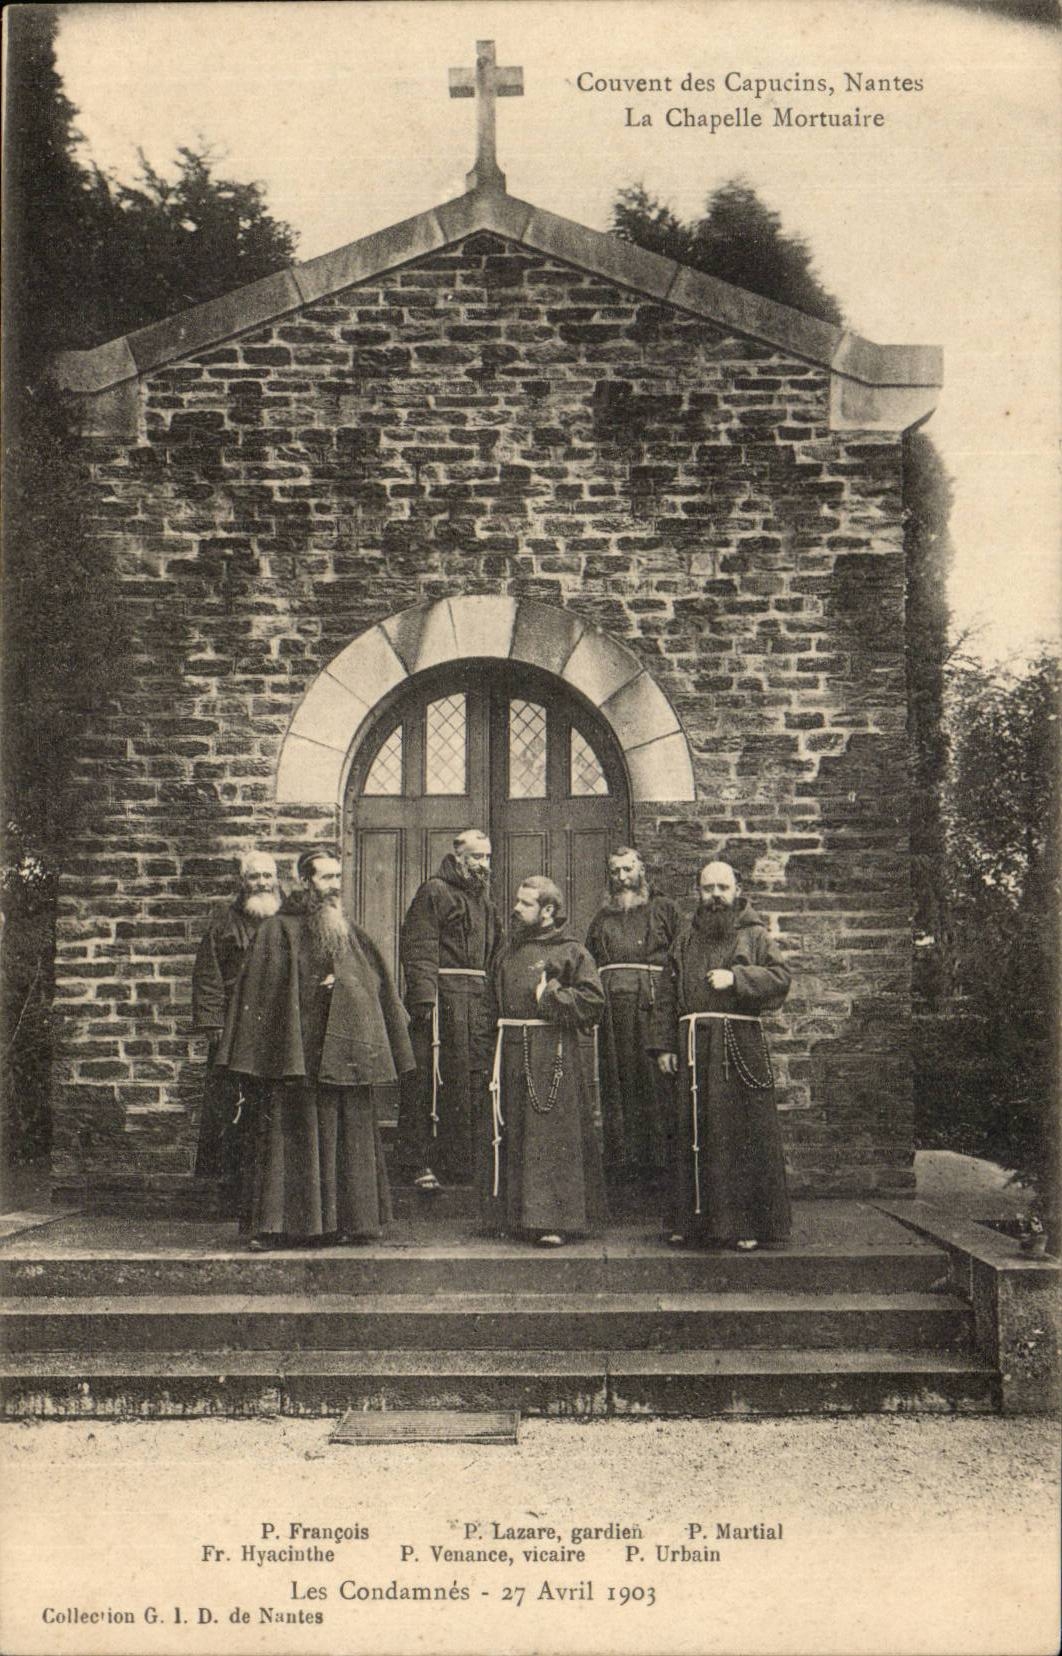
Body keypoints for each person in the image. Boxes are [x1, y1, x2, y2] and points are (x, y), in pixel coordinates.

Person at [216, 848, 414, 1250]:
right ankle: (279, 1227)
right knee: (290, 1138)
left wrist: (345, 990)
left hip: (342, 1055)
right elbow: (263, 994)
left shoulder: (348, 930)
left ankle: (346, 1221)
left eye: (338, 876)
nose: (335, 885)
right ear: (305, 881)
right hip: (295, 1060)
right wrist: (311, 992)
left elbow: (373, 984)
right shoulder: (276, 931)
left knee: (344, 1135)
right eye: (325, 878)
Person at [652, 861, 791, 1252]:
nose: (715, 896)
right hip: (692, 1046)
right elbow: (666, 995)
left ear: (737, 889)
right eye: (708, 888)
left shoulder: (756, 935)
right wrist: (664, 1045)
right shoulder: (684, 938)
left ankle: (744, 1224)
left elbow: (782, 980)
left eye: (722, 888)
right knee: (691, 1131)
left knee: (738, 1133)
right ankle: (689, 1223)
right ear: (697, 892)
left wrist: (738, 979)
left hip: (737, 1045)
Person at [474, 875, 607, 1247]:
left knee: (549, 1138)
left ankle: (553, 1219)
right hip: (509, 1053)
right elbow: (488, 1007)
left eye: (525, 903)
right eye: (517, 901)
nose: (515, 909)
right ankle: (509, 1217)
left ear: (548, 911)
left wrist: (551, 996)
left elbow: (593, 1003)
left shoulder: (572, 952)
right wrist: (482, 1054)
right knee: (511, 1131)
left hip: (553, 1058)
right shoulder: (506, 953)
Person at [398, 829, 501, 1191]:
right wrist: (424, 999)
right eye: (476, 857)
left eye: (487, 857)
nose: (483, 865)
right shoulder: (434, 892)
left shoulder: (485, 901)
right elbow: (419, 944)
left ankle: (461, 1162)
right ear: (458, 858)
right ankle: (419, 1162)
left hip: (476, 1002)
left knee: (469, 1080)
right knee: (431, 1079)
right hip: (441, 1003)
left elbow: (497, 953)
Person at [585, 847, 682, 1191]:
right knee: (617, 1082)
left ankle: (660, 1170)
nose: (622, 878)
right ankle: (623, 1167)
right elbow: (590, 963)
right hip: (613, 1013)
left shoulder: (665, 910)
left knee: (654, 1085)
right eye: (616, 872)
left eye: (628, 870)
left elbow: (680, 960)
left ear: (642, 870)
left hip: (652, 1006)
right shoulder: (602, 918)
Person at [192, 850, 282, 1215]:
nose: (261, 882)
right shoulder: (224, 924)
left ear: (277, 880)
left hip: (278, 1022)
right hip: (234, 1023)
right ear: (241, 882)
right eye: (254, 876)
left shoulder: (289, 920)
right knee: (229, 1104)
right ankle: (225, 1192)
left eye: (267, 876)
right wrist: (212, 1021)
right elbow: (208, 975)